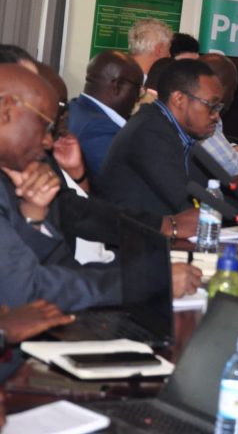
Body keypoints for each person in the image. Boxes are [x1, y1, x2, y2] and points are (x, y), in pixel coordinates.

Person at [0, 64, 200, 311]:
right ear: (4, 110)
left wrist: (33, 217)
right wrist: (147, 281)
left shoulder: (21, 167)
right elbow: (27, 291)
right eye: (45, 125)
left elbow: (56, 267)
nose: (49, 140)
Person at [100, 59, 223, 216]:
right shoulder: (149, 132)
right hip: (132, 237)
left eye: (219, 107)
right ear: (179, 99)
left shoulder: (178, 134)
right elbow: (184, 201)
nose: (216, 116)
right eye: (211, 105)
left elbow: (210, 189)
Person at [66, 50, 144, 183]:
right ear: (117, 86)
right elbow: (125, 185)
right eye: (138, 89)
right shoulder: (100, 130)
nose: (139, 98)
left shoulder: (74, 107)